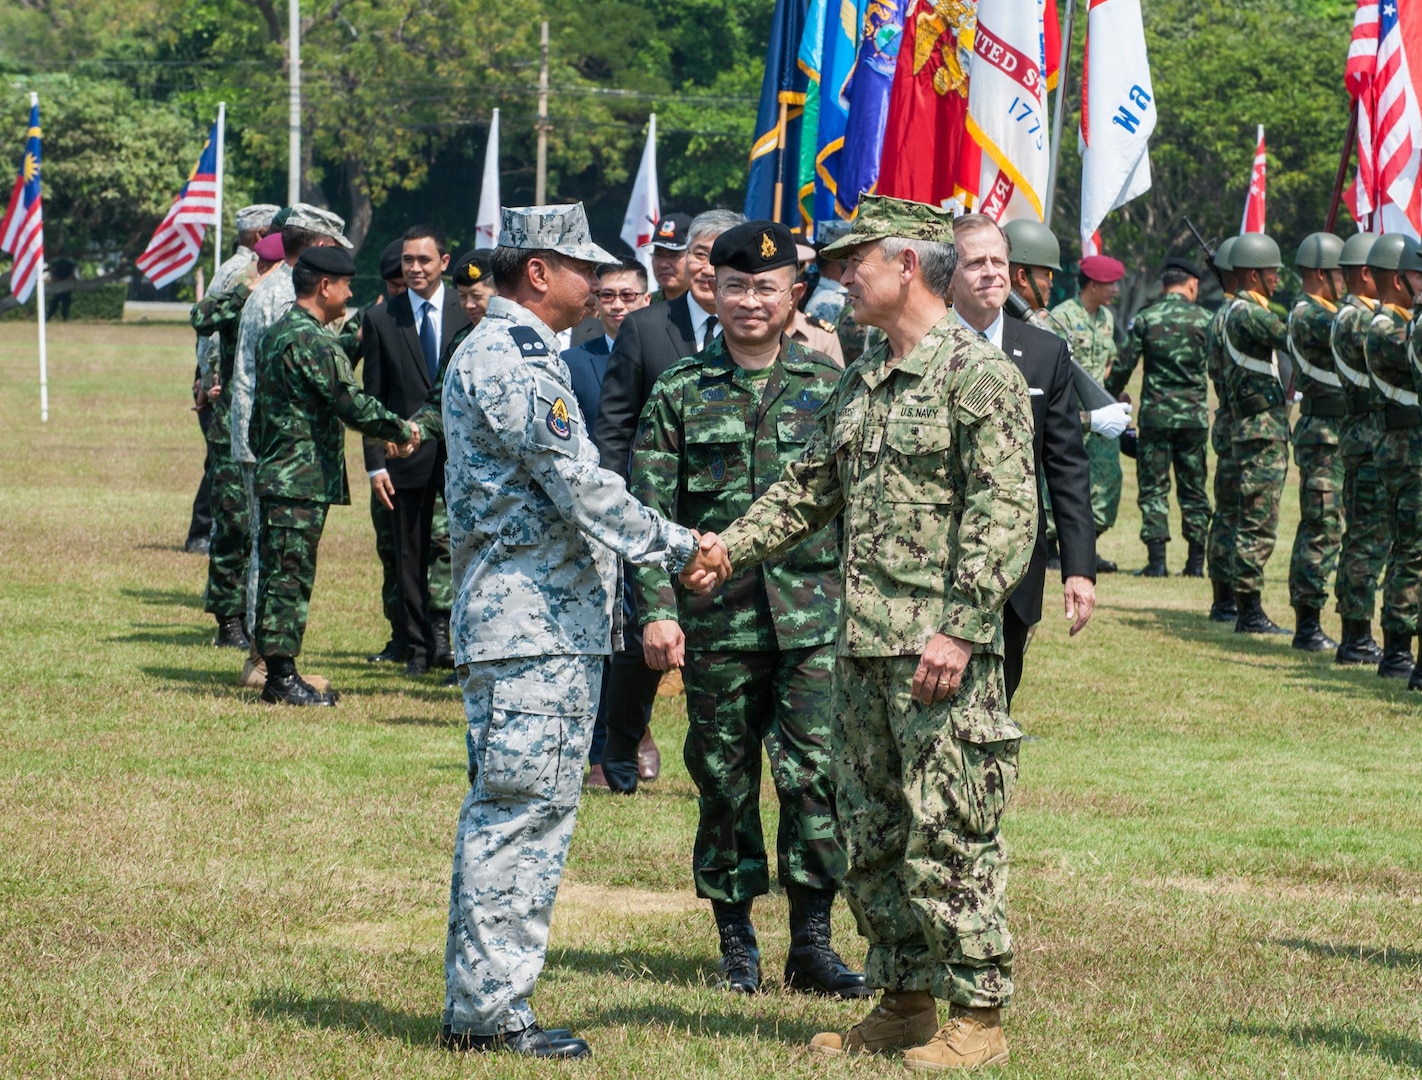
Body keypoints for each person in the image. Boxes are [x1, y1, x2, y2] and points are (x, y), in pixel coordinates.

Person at [687, 195, 1036, 1070]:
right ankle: (906, 999)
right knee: (872, 832)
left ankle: (980, 1015)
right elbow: (812, 485)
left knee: (949, 827)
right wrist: (730, 548)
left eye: (854, 263)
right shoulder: (867, 368)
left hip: (939, 656)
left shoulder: (976, 375)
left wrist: (958, 632)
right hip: (864, 646)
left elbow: (1007, 518)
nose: (840, 278)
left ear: (906, 265)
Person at [438, 203, 699, 1060]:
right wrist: (683, 544)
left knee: (532, 810)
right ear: (540, 271)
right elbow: (579, 485)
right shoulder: (514, 360)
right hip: (529, 627)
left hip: (541, 624)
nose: (599, 283)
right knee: (518, 817)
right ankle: (488, 1014)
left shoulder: (520, 352)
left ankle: (492, 1004)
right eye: (584, 267)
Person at [630, 219, 865, 998]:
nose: (751, 301)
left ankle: (812, 945)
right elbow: (648, 514)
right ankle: (737, 946)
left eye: (767, 286)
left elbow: (860, 509)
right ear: (713, 291)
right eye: (736, 286)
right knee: (725, 780)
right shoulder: (679, 392)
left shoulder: (831, 389)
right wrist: (657, 611)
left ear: (794, 290)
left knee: (814, 779)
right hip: (719, 625)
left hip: (812, 620)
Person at [593, 208, 745, 793]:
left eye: (720, 254)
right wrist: (616, 510)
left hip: (729, 522)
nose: (707, 267)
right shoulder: (646, 327)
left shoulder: (763, 325)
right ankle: (620, 750)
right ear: (684, 261)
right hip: (653, 518)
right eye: (699, 254)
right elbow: (615, 428)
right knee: (640, 642)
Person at [250, 246, 415, 705]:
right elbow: (350, 402)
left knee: (281, 573)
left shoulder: (281, 333)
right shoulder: (313, 342)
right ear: (325, 286)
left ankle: (279, 670)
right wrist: (403, 429)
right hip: (297, 480)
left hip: (281, 474)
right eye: (345, 285)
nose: (349, 294)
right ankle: (280, 679)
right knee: (289, 576)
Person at [971, 216, 1097, 706]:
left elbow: (1065, 465)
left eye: (998, 262)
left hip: (1016, 566)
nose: (990, 273)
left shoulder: (1045, 352)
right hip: (930, 568)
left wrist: (1079, 568)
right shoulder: (923, 343)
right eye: (975, 263)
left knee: (999, 700)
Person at [229, 203, 351, 688]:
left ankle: (267, 658)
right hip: (282, 448)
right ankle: (266, 663)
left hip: (265, 439)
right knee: (278, 556)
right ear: (319, 248)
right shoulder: (285, 297)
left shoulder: (275, 285)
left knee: (271, 550)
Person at [362, 224, 472, 675]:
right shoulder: (381, 318)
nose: (414, 269)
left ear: (444, 263)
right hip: (402, 459)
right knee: (409, 552)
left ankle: (450, 638)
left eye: (423, 260)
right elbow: (373, 397)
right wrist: (374, 467)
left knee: (457, 548)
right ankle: (417, 646)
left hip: (460, 457)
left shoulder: (467, 311)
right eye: (408, 261)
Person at [561, 258, 652, 783]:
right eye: (609, 295)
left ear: (645, 299)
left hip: (656, 509)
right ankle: (601, 747)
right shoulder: (574, 362)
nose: (618, 304)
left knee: (643, 634)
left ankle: (634, 730)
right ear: (596, 303)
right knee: (608, 630)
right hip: (599, 513)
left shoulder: (671, 351)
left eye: (628, 295)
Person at [190, 203, 280, 649]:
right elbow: (202, 320)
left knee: (264, 529)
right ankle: (228, 620)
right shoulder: (241, 282)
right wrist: (208, 380)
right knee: (233, 523)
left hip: (276, 429)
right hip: (233, 426)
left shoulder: (293, 292)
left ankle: (256, 616)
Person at [1107, 257, 1214, 578]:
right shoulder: (1206, 319)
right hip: (1194, 418)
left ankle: (1157, 563)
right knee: (1194, 488)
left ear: (1164, 285)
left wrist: (1109, 395)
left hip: (1155, 417)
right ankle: (1196, 564)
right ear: (1192, 284)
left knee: (1153, 489)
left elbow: (1124, 366)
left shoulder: (1146, 318)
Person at [1221, 233, 1291, 635]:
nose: (1276, 279)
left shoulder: (1236, 310)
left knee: (1249, 518)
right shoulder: (1249, 312)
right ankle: (1249, 612)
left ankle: (1243, 604)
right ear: (1252, 273)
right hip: (1261, 431)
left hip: (1254, 428)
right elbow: (1290, 335)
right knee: (1257, 522)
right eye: (1270, 272)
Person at [1362, 233, 1422, 681]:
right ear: (1398, 280)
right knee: (1410, 554)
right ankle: (1400, 653)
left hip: (1405, 450)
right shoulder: (1386, 328)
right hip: (1406, 454)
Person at [1285, 233, 1347, 652]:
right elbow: (1348, 328)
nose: (1346, 282)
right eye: (1341, 273)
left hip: (1333, 433)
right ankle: (1308, 624)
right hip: (1323, 434)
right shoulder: (1310, 315)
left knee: (1332, 526)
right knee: (1321, 527)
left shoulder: (1326, 311)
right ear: (1321, 274)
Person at [1332, 232, 1390, 665]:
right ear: (1367, 273)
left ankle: (1356, 634)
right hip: (1369, 442)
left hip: (1364, 439)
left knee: (1365, 538)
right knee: (1367, 541)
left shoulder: (1354, 315)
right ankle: (1356, 637)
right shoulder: (1359, 319)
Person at [1051, 254, 1126, 570]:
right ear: (1093, 284)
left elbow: (1108, 362)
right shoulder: (1062, 317)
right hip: (1069, 416)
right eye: (1111, 284)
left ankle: (1086, 548)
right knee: (1059, 483)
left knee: (1107, 482)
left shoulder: (1107, 319)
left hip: (1101, 417)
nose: (1116, 290)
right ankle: (1052, 549)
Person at [1204, 237, 1243, 621]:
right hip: (1243, 423)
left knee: (1227, 513)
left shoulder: (1219, 314)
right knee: (1240, 513)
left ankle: (1223, 598)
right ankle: (1234, 601)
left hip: (1229, 421)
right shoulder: (1239, 314)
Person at [649, 212, 692, 302]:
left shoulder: (713, 306)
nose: (663, 265)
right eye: (658, 255)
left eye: (674, 256)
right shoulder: (645, 305)